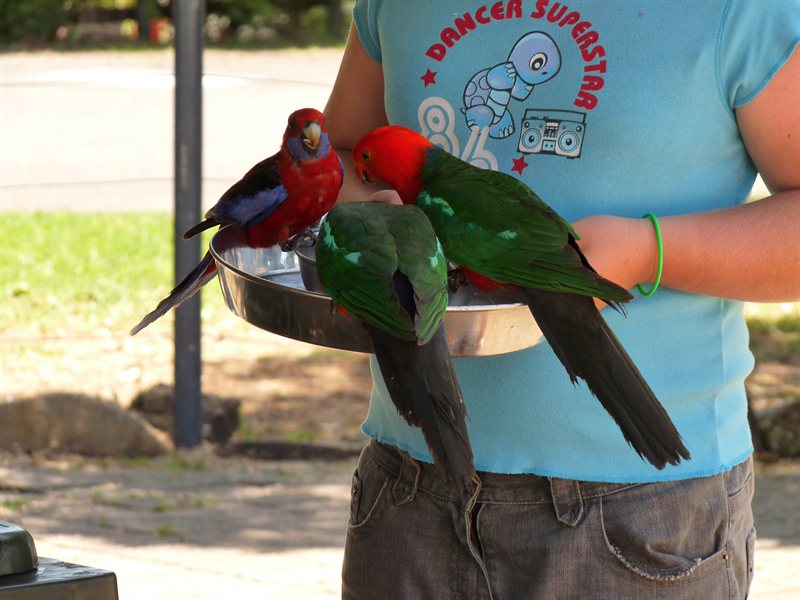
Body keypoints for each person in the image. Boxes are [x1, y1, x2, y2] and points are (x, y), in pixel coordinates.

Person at [323, 1, 800, 598]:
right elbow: (339, 157)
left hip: (640, 510)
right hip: (410, 483)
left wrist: (648, 250)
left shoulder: (742, 10)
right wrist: (379, 216)